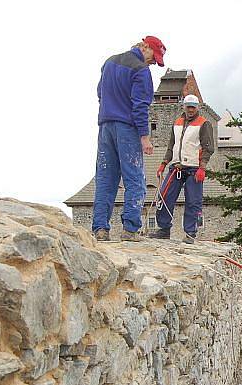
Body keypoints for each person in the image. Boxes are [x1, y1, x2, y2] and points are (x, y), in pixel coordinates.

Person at [92, 36, 166, 242]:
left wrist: (111, 108)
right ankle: (130, 230)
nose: (153, 62)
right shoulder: (140, 70)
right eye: (154, 56)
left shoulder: (109, 62)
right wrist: (144, 136)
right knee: (135, 178)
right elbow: (140, 106)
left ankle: (100, 229)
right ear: (145, 47)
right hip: (127, 128)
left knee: (105, 179)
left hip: (106, 126)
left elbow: (100, 92)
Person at [148, 94, 214, 244]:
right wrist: (164, 163)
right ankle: (164, 229)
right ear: (183, 106)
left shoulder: (204, 123)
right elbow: (171, 145)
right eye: (188, 106)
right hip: (176, 167)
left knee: (193, 201)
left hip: (194, 168)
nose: (190, 109)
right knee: (164, 196)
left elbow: (208, 147)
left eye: (193, 107)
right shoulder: (177, 122)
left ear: (197, 108)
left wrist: (202, 167)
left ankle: (190, 233)